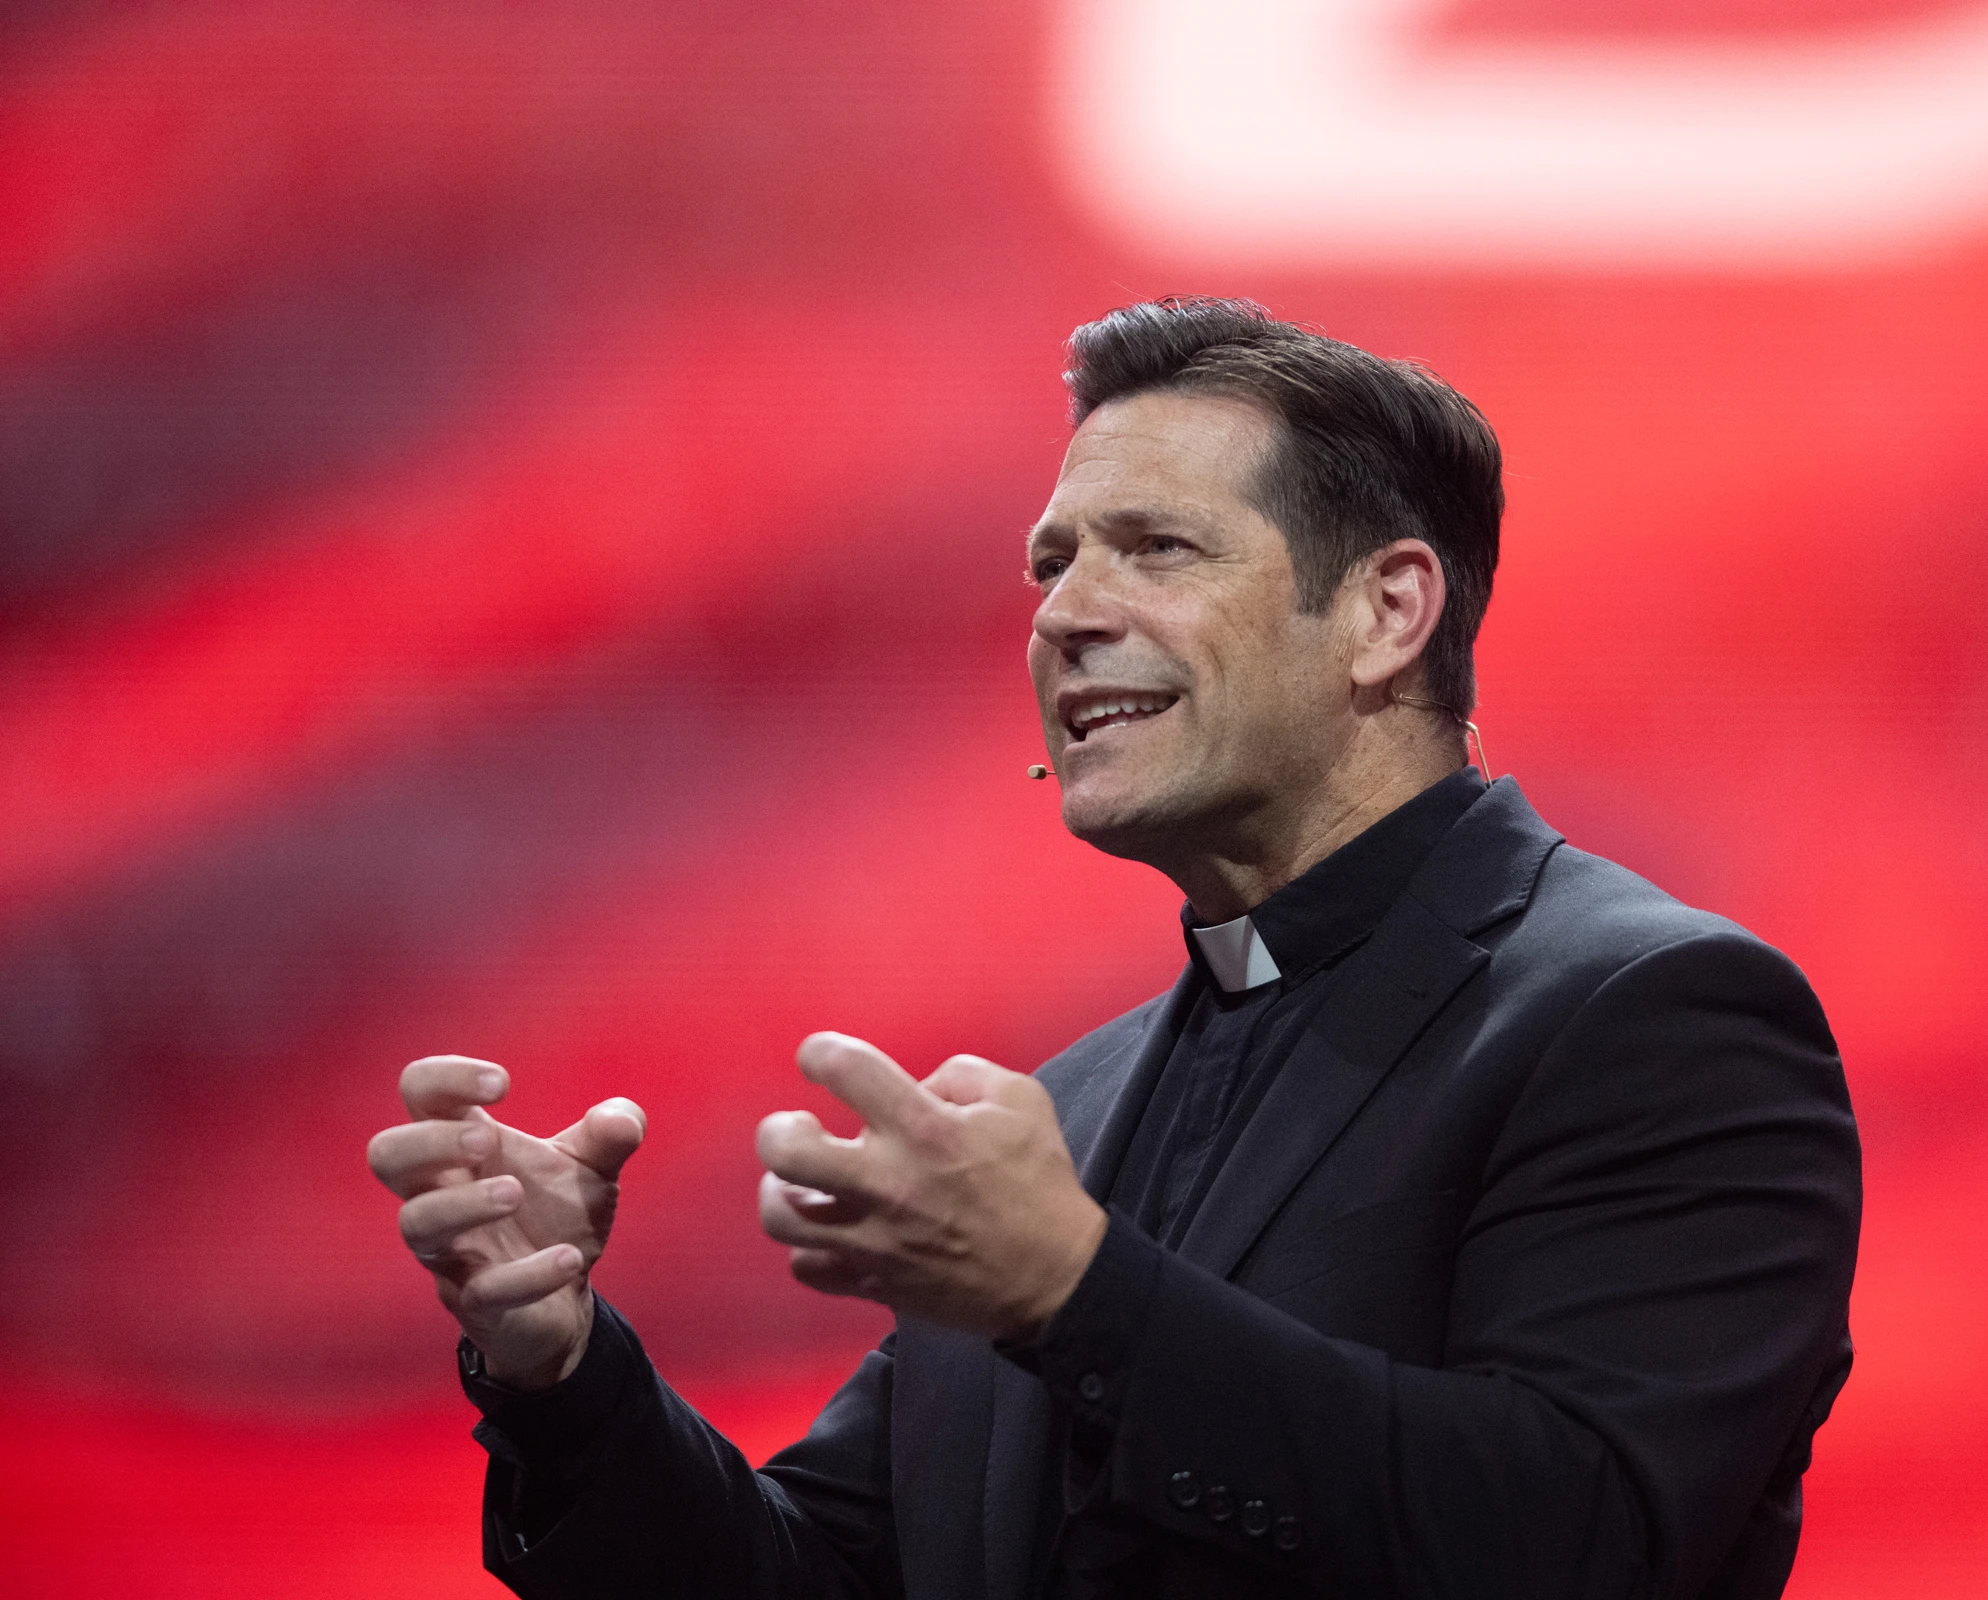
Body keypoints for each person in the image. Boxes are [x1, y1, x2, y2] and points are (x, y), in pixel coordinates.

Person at [366, 297, 1862, 1600]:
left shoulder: (1654, 1015)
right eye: (1052, 564)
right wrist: (558, 1370)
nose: (1067, 615)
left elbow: (1578, 1549)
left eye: (1155, 548)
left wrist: (1075, 1298)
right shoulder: (1062, 1121)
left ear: (1386, 611)